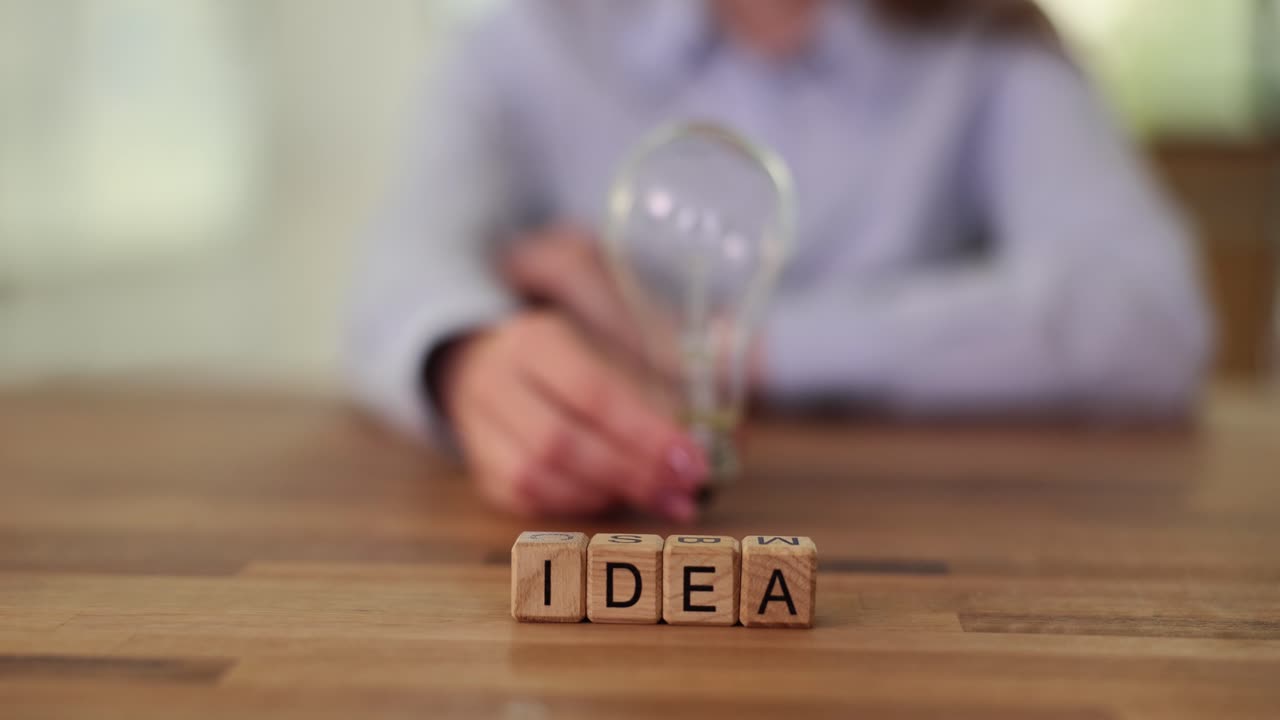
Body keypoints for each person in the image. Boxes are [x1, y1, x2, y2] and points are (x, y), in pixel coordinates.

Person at [346, 0, 1212, 521]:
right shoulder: (529, 36)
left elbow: (1145, 316)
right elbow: (398, 274)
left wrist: (705, 343)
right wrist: (470, 360)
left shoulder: (984, 43)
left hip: (922, 549)